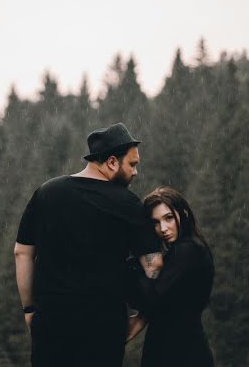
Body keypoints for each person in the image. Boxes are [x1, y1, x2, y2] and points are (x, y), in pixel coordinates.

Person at [14, 123, 164, 367]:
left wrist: (30, 310)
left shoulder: (47, 193)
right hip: (104, 332)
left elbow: (22, 253)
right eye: (133, 164)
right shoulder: (128, 205)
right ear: (112, 162)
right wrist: (140, 319)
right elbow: (154, 266)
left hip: (51, 327)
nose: (136, 172)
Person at [126, 187, 215, 367]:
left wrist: (134, 265)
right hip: (175, 347)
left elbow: (150, 298)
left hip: (180, 352)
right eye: (155, 223)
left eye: (169, 218)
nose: (163, 229)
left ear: (183, 214)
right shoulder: (183, 251)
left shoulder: (188, 250)